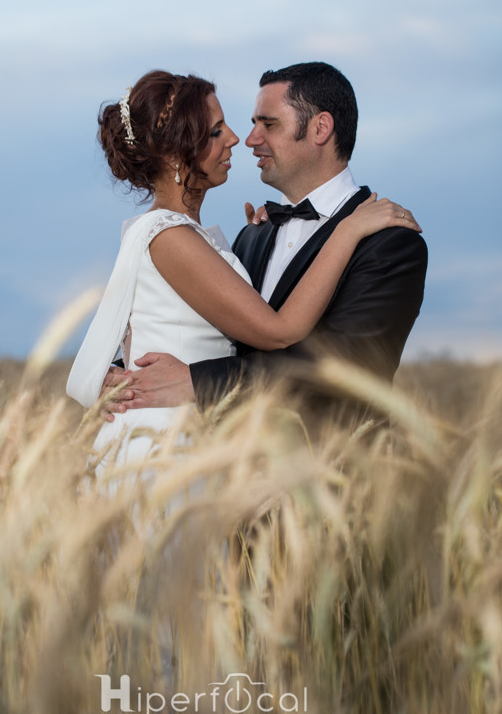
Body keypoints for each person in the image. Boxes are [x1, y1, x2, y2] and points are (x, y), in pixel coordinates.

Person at [67, 68, 422, 463]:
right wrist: (124, 377)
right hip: (189, 457)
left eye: (268, 124)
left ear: (320, 129)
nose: (246, 138)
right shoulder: (251, 236)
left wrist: (194, 381)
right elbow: (219, 333)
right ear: (175, 152)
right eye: (219, 130)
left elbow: (345, 367)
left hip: (329, 475)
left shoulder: (388, 242)